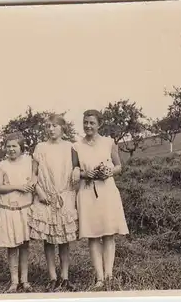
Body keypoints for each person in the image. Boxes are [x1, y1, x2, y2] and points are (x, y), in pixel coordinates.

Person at [71, 109, 129, 291]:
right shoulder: (76, 146)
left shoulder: (109, 143)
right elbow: (74, 170)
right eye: (85, 122)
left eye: (92, 123)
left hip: (107, 192)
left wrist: (109, 171)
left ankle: (109, 275)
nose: (88, 126)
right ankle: (99, 278)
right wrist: (83, 173)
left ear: (99, 125)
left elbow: (119, 166)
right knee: (93, 236)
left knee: (108, 233)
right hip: (87, 192)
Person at [28, 114, 79, 292]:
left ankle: (65, 277)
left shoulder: (70, 146)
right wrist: (39, 192)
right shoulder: (40, 148)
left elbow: (76, 166)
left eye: (54, 126)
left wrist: (77, 170)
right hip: (45, 197)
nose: (51, 129)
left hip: (65, 196)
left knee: (64, 239)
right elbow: (33, 174)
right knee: (48, 239)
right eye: (48, 126)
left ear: (62, 128)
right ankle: (52, 277)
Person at [0, 132, 36, 293]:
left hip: (25, 210)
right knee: (12, 247)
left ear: (21, 147)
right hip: (9, 211)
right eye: (8, 146)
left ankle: (25, 281)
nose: (11, 149)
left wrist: (32, 182)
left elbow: (35, 175)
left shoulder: (28, 161)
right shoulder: (2, 166)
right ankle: (14, 281)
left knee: (25, 246)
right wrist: (17, 186)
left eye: (14, 146)